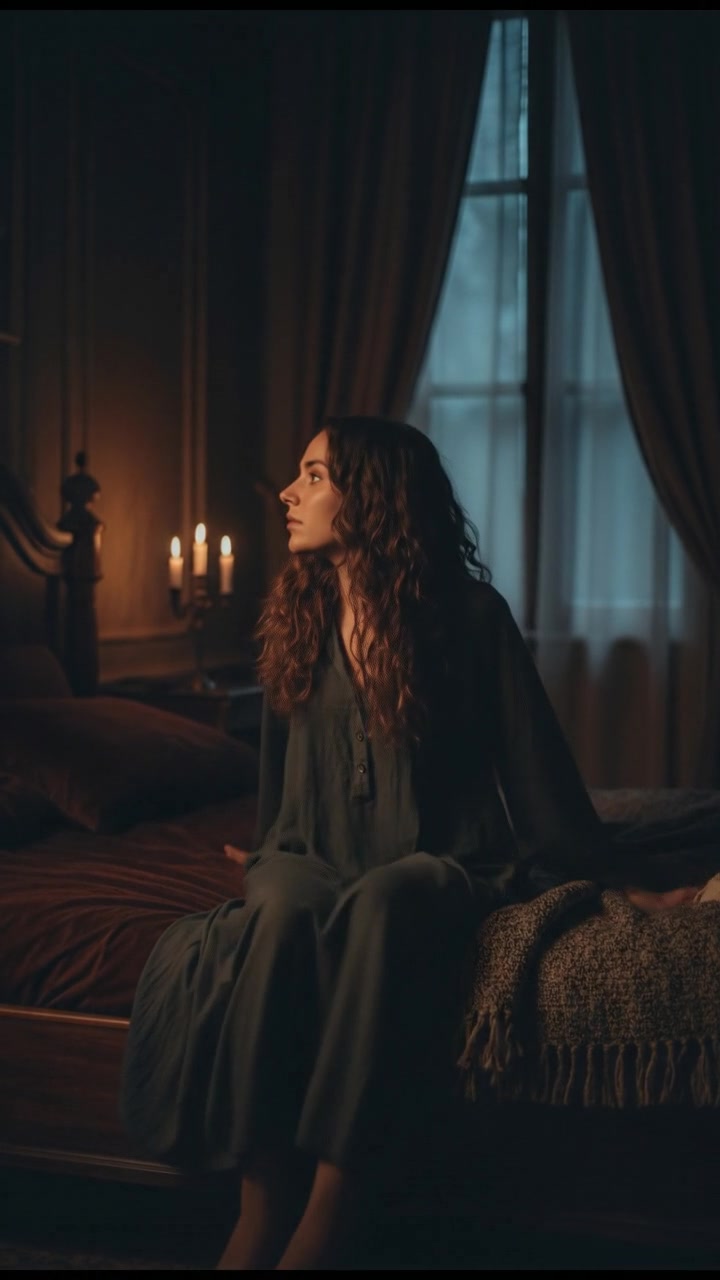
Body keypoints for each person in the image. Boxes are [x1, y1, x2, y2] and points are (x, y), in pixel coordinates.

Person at [120, 415, 702, 1271]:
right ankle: (259, 1202)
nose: (289, 492)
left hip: (443, 857)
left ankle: (329, 1206)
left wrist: (615, 877)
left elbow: (534, 764)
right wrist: (267, 853)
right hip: (308, 851)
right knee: (277, 912)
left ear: (374, 494)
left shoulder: (467, 615)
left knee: (387, 901)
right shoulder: (296, 611)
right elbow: (279, 782)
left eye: (313, 475)